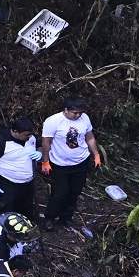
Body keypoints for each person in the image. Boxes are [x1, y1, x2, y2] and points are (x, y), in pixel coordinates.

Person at [41, 98, 102, 236]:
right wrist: (45, 161)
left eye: (80, 113)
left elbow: (89, 137)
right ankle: (49, 218)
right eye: (75, 113)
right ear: (66, 110)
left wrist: (96, 154)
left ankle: (66, 218)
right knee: (60, 192)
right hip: (60, 164)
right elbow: (46, 142)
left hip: (80, 162)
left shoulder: (84, 118)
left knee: (75, 191)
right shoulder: (53, 121)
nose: (78, 116)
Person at [0, 117, 43, 218]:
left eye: (30, 135)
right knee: (4, 211)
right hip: (7, 183)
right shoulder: (0, 143)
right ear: (15, 131)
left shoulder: (31, 137)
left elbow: (39, 144)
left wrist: (39, 152)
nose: (29, 137)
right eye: (26, 135)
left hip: (27, 184)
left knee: (25, 210)